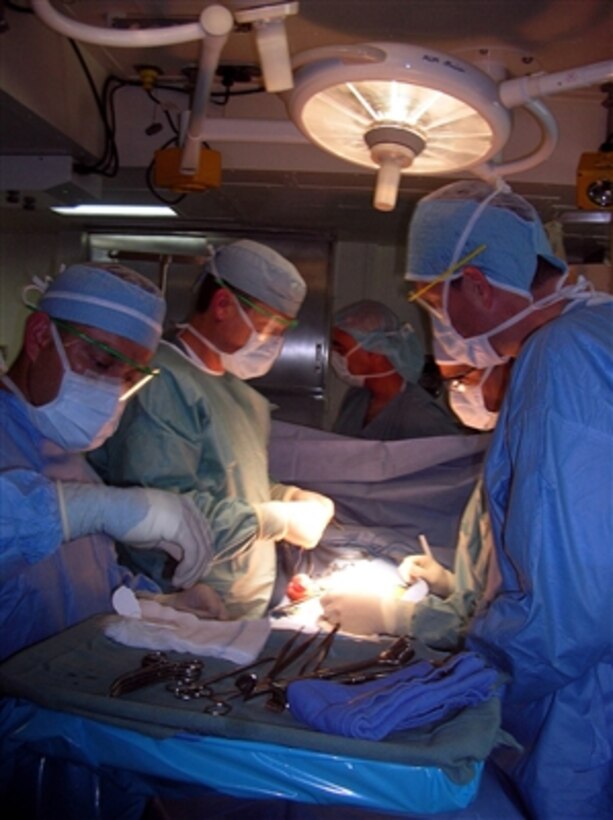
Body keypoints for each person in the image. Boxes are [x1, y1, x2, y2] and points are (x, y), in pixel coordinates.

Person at [403, 179, 613, 819]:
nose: (439, 322)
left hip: (585, 700)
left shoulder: (565, 356)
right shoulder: (601, 333)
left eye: (433, 299)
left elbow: (571, 599)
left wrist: (473, 677)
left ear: (478, 285)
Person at [89, 240, 335, 619]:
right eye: (270, 325)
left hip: (243, 606)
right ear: (222, 304)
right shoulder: (162, 383)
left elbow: (229, 480)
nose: (273, 340)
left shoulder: (243, 396)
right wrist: (277, 520)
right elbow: (161, 512)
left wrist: (288, 497)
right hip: (186, 604)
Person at [0, 262, 221, 662]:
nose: (113, 389)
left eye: (129, 376)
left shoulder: (72, 464)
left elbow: (88, 584)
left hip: (58, 704)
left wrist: (158, 606)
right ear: (38, 337)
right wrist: (77, 509)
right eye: (102, 363)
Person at [321, 362, 509, 648]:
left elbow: (522, 634)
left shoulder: (536, 471)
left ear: (509, 370)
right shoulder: (506, 450)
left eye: (463, 378)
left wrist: (396, 617)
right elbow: (496, 588)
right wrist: (451, 584)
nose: (456, 393)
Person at [330, 299, 462, 439]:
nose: (333, 354)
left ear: (375, 353)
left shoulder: (422, 416)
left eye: (340, 349)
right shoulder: (356, 397)